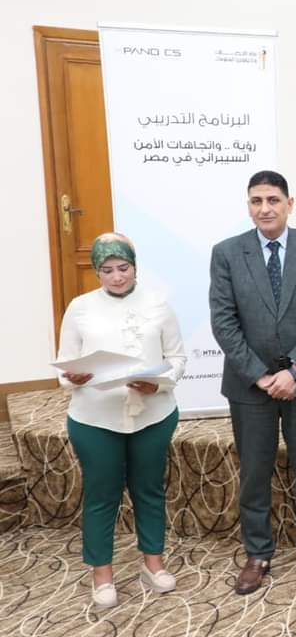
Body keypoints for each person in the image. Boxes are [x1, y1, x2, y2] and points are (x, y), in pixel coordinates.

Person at [209, 170, 296, 594]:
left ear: (289, 204)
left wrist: (294, 370)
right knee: (254, 473)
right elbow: (224, 321)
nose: (264, 208)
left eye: (272, 200)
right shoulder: (227, 253)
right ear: (249, 206)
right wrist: (263, 376)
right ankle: (258, 553)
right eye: (256, 201)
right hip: (251, 386)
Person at [56, 233, 186, 608]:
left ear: (135, 266)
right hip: (94, 418)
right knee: (102, 495)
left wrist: (157, 384)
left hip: (153, 415)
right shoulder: (79, 308)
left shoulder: (158, 303)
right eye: (107, 270)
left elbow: (177, 358)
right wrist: (74, 376)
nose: (116, 276)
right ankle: (102, 575)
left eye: (123, 267)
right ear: (97, 272)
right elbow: (64, 368)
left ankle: (153, 564)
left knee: (149, 489)